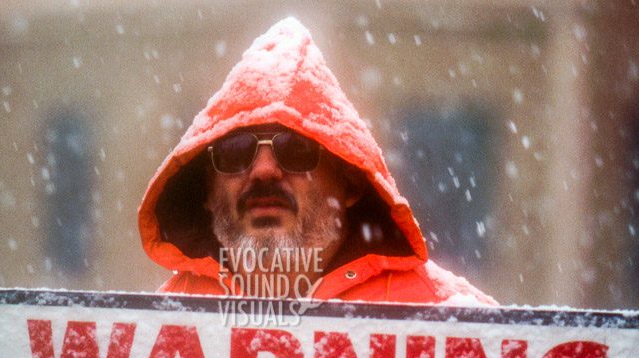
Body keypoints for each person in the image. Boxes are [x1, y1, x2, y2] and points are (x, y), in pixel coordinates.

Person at [138, 17, 496, 306]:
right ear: (206, 188)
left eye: (296, 149)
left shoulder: (452, 324)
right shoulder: (155, 331)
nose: (264, 170)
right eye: (236, 152)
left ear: (350, 182)